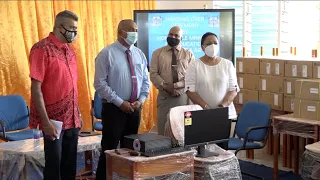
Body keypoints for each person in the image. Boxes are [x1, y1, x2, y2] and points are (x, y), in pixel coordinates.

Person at [29, 10, 83, 180]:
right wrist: (45, 123)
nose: (75, 32)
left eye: (76, 28)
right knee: (54, 166)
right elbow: (36, 88)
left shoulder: (70, 50)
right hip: (53, 121)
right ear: (59, 27)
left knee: (70, 166)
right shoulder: (41, 49)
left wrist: (78, 113)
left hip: (72, 119)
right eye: (72, 28)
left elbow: (72, 86)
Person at [94, 19, 150, 180]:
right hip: (114, 109)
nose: (135, 33)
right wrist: (120, 102)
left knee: (131, 150)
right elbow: (99, 84)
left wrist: (141, 100)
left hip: (135, 108)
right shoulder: (106, 53)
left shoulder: (139, 54)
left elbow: (145, 81)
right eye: (132, 30)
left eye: (137, 30)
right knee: (110, 150)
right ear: (120, 32)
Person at [150, 26, 195, 136]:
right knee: (163, 134)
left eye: (176, 35)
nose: (173, 37)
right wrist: (165, 86)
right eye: (171, 34)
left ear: (181, 38)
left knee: (182, 133)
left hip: (183, 99)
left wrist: (175, 86)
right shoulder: (157, 53)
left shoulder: (188, 54)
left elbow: (192, 77)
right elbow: (153, 74)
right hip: (164, 98)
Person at [185, 32, 239, 120]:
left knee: (225, 134)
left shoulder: (228, 64)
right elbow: (189, 90)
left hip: (225, 114)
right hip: (201, 113)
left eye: (215, 43)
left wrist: (221, 108)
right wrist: (206, 108)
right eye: (209, 43)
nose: (213, 46)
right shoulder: (194, 65)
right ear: (202, 47)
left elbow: (233, 89)